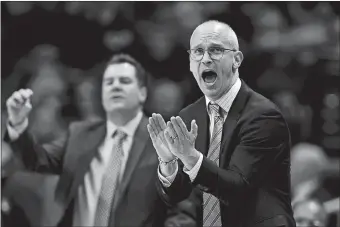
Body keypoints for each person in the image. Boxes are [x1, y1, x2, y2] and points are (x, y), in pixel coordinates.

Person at [4, 54, 192, 227]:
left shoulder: (166, 141)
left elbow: (183, 211)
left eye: (124, 81)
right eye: (109, 82)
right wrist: (17, 124)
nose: (116, 87)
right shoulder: (80, 135)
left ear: (142, 93)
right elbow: (36, 160)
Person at [147, 20, 296, 227]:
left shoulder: (264, 116)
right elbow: (179, 197)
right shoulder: (189, 114)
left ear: (236, 59)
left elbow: (237, 187)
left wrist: (190, 157)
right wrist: (169, 163)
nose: (206, 59)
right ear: (190, 64)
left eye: (215, 50)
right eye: (198, 52)